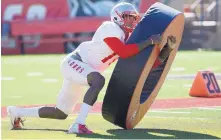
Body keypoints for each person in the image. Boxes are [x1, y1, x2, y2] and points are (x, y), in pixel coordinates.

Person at [7, 2, 176, 135]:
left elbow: (147, 65)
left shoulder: (128, 38)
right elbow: (124, 52)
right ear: (117, 17)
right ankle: (79, 124)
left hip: (84, 70)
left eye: (133, 17)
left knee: (60, 113)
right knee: (98, 80)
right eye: (127, 16)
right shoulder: (110, 28)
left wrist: (166, 48)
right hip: (75, 63)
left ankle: (16, 112)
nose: (132, 20)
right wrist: (148, 41)